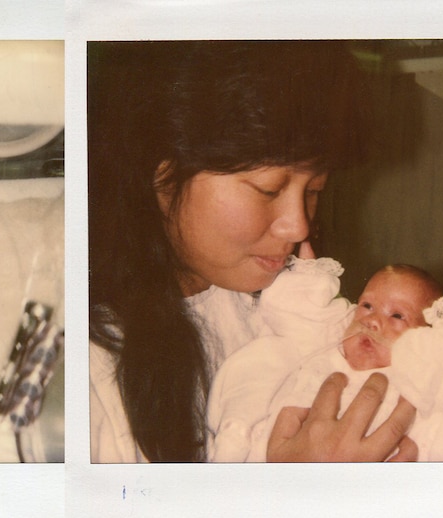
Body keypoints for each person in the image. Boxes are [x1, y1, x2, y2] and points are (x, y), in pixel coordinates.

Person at [88, 40, 418, 463]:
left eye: (315, 189)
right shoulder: (93, 375)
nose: (298, 226)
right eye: (269, 189)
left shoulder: (293, 302)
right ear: (164, 177)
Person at [207, 258, 443, 462]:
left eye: (397, 315)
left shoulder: (415, 382)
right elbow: (289, 403)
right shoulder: (326, 359)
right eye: (366, 306)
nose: (372, 322)